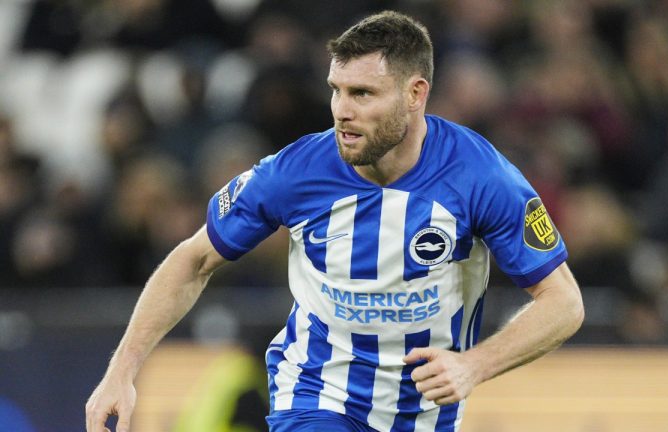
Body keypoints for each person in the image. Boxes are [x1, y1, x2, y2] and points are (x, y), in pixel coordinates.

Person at [85, 10, 584, 432]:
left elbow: (563, 303)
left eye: (363, 94)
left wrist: (475, 365)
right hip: (315, 396)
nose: (342, 111)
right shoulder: (297, 171)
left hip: (424, 418)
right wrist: (121, 371)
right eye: (336, 90)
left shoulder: (481, 176)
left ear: (415, 94)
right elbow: (194, 258)